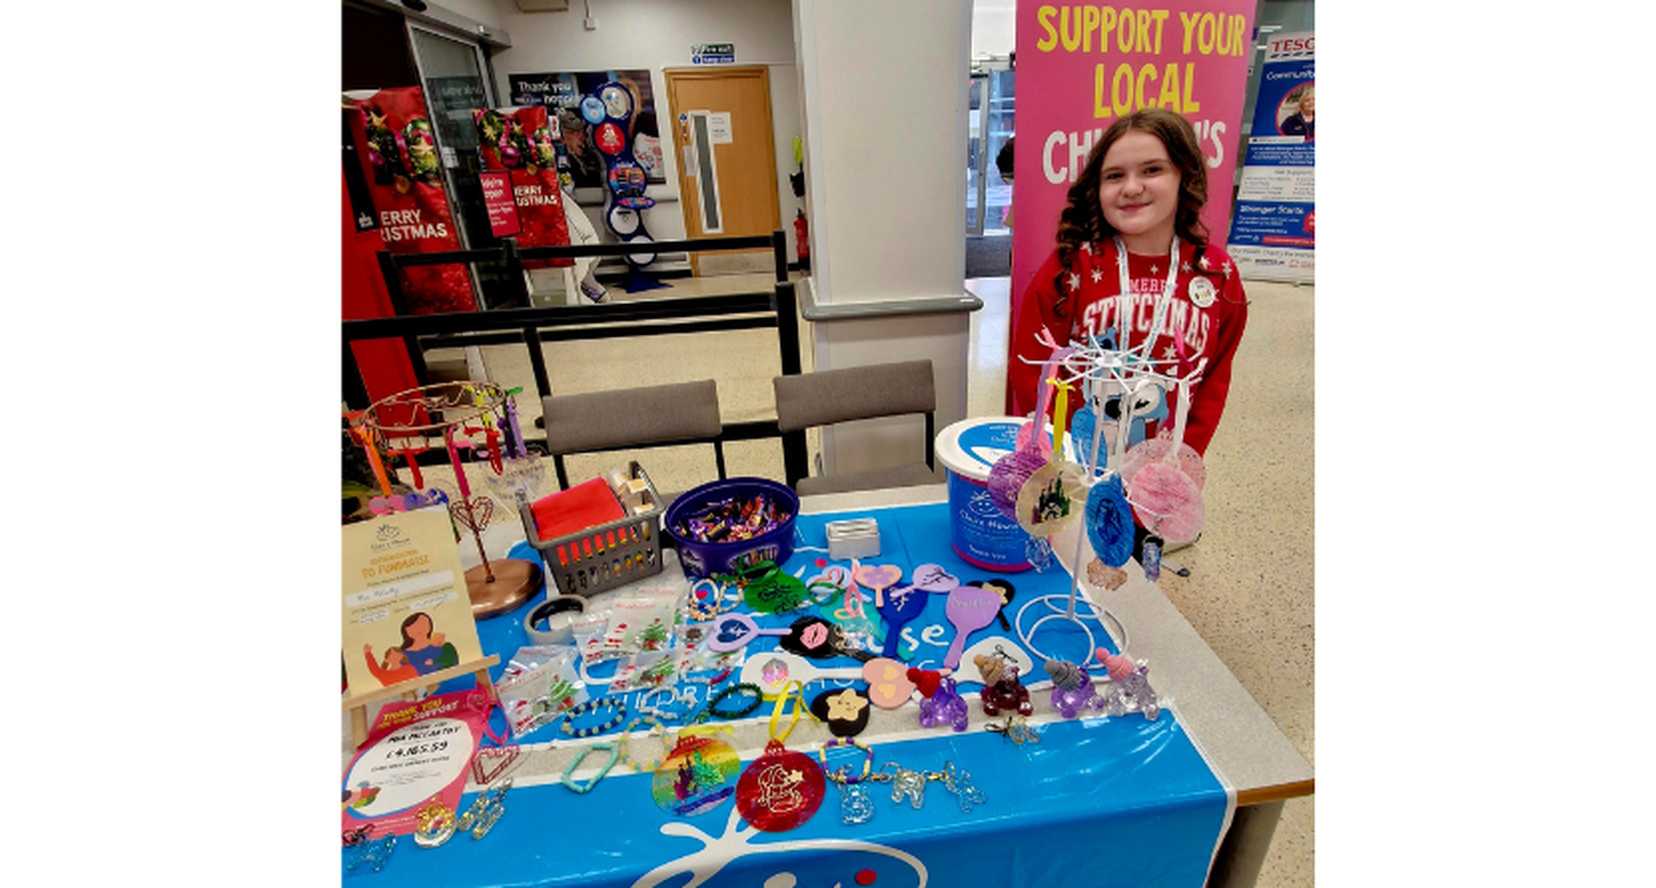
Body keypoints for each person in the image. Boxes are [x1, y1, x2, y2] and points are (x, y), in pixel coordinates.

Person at [1007, 108, 1248, 457]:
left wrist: (1183, 456)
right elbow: (1033, 368)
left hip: (1162, 468)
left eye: (1152, 170)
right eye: (1115, 176)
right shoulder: (1072, 266)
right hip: (1072, 462)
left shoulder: (1216, 273)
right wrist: (1059, 452)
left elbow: (1214, 378)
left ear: (1185, 175)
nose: (1132, 188)